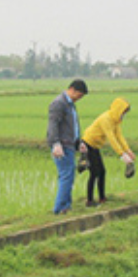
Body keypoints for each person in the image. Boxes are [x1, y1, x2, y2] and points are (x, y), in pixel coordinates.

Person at [81, 98, 135, 207]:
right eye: (123, 112)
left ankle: (102, 198)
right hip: (87, 144)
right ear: (118, 110)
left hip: (95, 146)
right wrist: (121, 154)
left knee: (102, 171)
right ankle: (89, 201)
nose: (123, 115)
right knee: (94, 172)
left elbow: (119, 136)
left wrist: (128, 150)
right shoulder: (106, 119)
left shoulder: (116, 121)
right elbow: (111, 138)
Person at [46, 79, 88, 215]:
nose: (79, 99)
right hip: (62, 146)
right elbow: (53, 125)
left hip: (69, 145)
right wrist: (55, 144)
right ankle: (59, 209)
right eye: (79, 95)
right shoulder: (59, 104)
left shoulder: (70, 105)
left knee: (68, 175)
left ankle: (66, 206)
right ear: (72, 90)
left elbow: (73, 126)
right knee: (66, 176)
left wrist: (79, 143)